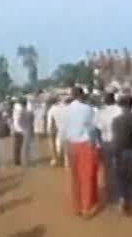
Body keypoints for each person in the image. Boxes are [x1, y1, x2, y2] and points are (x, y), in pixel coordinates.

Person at [64, 86, 98, 218]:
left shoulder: (66, 110)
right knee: (86, 176)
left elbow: (64, 129)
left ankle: (77, 206)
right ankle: (86, 207)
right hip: (85, 144)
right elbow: (92, 127)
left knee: (75, 176)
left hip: (71, 144)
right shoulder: (87, 109)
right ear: (81, 96)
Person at [111, 94, 132, 215]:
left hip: (120, 151)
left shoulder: (117, 121)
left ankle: (123, 199)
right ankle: (129, 199)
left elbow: (116, 139)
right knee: (130, 177)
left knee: (120, 177)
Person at [96, 92, 123, 209]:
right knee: (119, 167)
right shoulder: (120, 110)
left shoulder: (100, 112)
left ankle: (110, 195)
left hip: (106, 142)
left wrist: (99, 144)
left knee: (107, 168)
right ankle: (120, 193)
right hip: (118, 141)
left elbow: (97, 129)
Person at [48, 95, 70, 169]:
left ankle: (57, 161)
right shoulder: (67, 107)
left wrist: (50, 134)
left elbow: (50, 124)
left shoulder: (52, 110)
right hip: (70, 132)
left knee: (60, 151)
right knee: (68, 155)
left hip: (60, 133)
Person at [11, 98, 26, 167]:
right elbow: (18, 121)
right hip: (20, 130)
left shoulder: (16, 109)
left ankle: (17, 161)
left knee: (16, 147)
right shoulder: (21, 110)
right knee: (20, 147)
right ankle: (19, 161)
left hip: (16, 130)